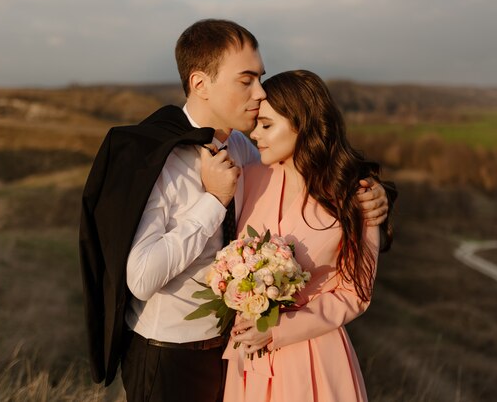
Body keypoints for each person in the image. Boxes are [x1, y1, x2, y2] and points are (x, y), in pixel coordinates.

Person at [79, 20, 393, 402]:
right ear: (200, 84)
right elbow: (141, 278)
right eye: (246, 81)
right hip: (168, 355)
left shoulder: (247, 152)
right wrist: (212, 201)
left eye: (260, 78)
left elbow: (312, 173)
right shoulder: (160, 160)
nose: (260, 93)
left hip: (229, 356)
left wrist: (372, 195)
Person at [223, 70, 387, 402]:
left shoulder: (354, 196)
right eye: (256, 123)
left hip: (313, 356)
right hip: (246, 358)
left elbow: (355, 293)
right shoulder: (247, 178)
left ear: (302, 124)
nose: (255, 134)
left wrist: (278, 329)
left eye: (267, 125)